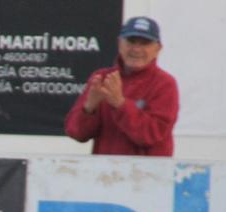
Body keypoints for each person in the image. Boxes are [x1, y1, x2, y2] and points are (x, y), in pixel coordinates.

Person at [64, 16, 178, 156]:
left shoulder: (165, 84)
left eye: (145, 43)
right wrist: (89, 108)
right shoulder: (101, 78)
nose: (136, 49)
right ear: (119, 43)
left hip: (148, 175)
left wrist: (120, 104)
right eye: (131, 41)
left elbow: (151, 135)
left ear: (157, 48)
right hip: (105, 174)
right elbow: (76, 133)